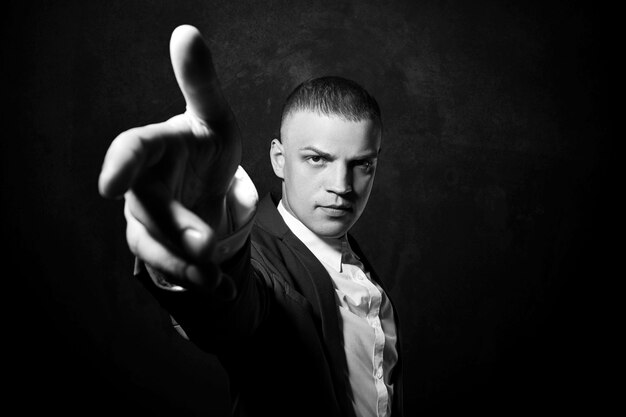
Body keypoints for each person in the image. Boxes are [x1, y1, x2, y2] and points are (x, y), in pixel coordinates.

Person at [98, 25, 403, 417]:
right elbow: (231, 311)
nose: (342, 186)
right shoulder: (258, 260)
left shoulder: (355, 262)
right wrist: (206, 248)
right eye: (318, 159)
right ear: (279, 159)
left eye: (362, 165)